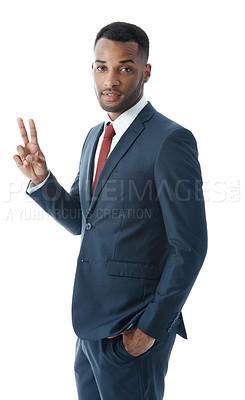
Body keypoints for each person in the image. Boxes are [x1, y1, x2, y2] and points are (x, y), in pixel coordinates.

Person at [13, 22, 207, 400]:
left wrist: (149, 330)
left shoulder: (170, 140)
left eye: (125, 67)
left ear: (145, 72)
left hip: (132, 333)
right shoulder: (95, 136)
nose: (111, 79)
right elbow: (79, 219)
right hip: (88, 329)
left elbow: (190, 247)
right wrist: (42, 180)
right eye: (102, 66)